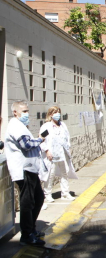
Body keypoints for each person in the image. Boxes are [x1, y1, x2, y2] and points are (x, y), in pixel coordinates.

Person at [4, 101, 46, 246]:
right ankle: (27, 234)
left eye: (28, 111)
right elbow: (26, 145)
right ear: (15, 112)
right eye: (24, 111)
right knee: (27, 203)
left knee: (38, 198)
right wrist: (40, 139)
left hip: (30, 169)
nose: (27, 114)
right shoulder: (15, 126)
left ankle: (31, 229)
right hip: (24, 170)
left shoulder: (21, 126)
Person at [40, 106, 78, 203]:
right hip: (52, 154)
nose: (57, 114)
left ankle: (65, 193)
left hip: (62, 153)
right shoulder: (46, 126)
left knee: (65, 173)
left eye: (58, 112)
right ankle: (47, 194)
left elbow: (67, 137)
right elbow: (41, 139)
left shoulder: (63, 125)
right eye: (55, 112)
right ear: (50, 114)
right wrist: (47, 151)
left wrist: (69, 148)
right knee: (50, 174)